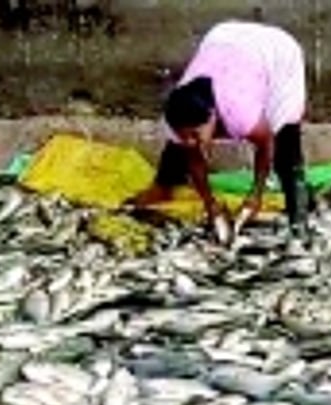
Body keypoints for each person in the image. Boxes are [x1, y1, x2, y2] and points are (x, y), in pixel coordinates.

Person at [130, 20, 311, 242]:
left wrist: (256, 195)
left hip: (276, 52)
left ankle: (299, 214)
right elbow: (193, 157)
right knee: (180, 145)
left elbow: (266, 143)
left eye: (196, 134)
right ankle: (163, 186)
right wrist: (210, 204)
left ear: (212, 117)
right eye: (184, 134)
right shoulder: (176, 111)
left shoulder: (240, 113)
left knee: (286, 136)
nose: (190, 141)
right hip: (223, 38)